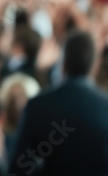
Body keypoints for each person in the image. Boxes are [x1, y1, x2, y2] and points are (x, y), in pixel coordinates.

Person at [8, 31, 108, 175]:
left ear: (64, 61)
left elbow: (19, 167)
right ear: (94, 64)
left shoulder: (37, 106)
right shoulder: (105, 108)